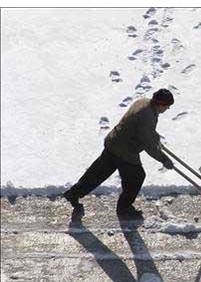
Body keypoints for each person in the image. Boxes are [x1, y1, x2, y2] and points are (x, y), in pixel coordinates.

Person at [63, 89, 175, 219]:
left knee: (97, 173)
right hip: (125, 150)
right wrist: (164, 159)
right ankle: (124, 208)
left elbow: (143, 130)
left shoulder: (144, 102)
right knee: (137, 176)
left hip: (114, 142)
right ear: (160, 104)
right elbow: (148, 144)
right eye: (167, 106)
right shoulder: (147, 116)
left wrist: (154, 136)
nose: (167, 109)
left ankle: (74, 193)